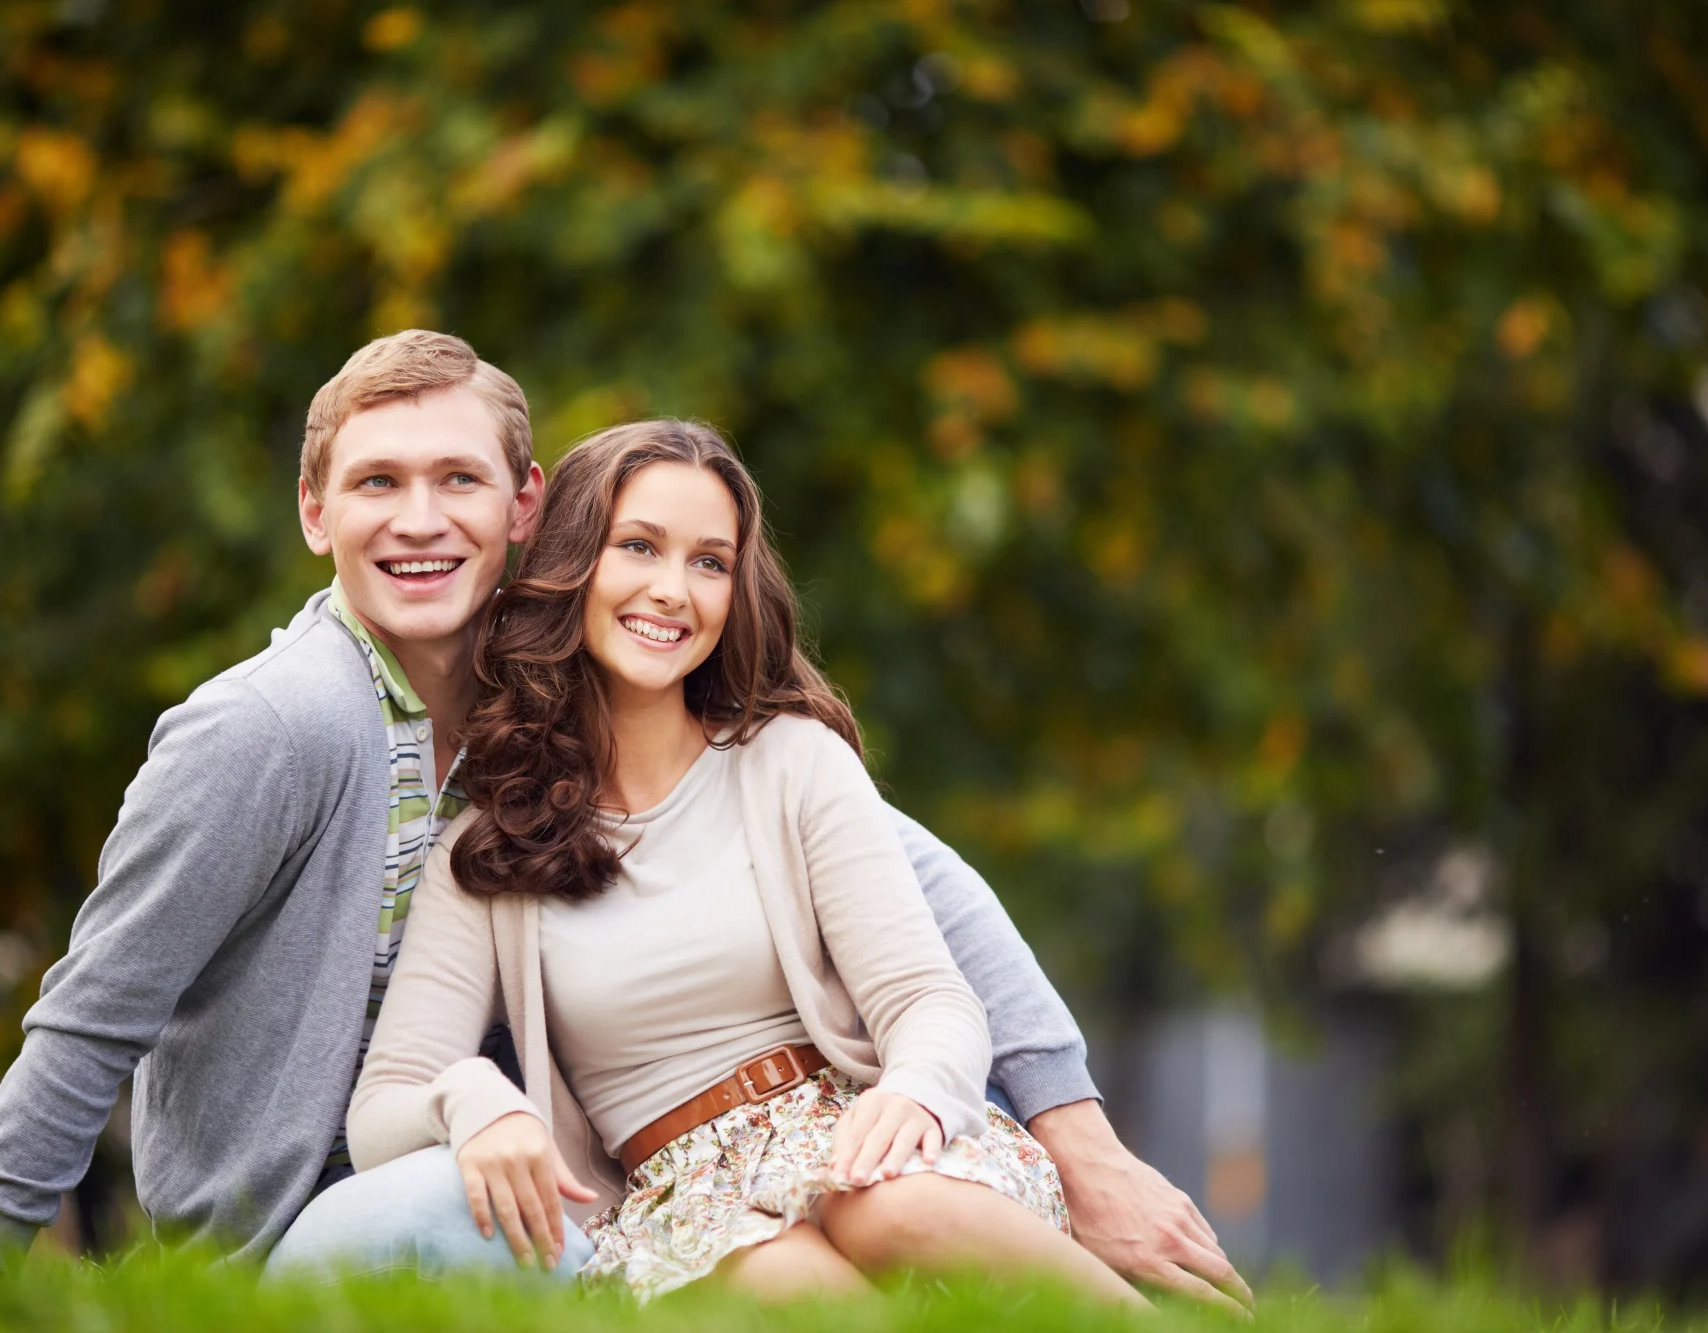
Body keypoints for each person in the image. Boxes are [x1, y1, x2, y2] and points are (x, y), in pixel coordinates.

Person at [0, 330, 1247, 1312]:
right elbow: (94, 1013)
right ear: (313, 509)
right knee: (657, 1247)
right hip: (327, 1215)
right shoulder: (280, 735)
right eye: (377, 481)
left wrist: (1077, 1141)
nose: (418, 519)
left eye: (458, 479)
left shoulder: (579, 733)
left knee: (850, 1228)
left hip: (622, 1178)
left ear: (522, 509)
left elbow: (926, 902)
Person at [341, 420, 1125, 1302]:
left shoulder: (792, 759)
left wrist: (915, 1090)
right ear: (572, 563)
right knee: (786, 1283)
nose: (673, 591)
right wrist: (469, 1098)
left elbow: (926, 996)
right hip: (683, 1206)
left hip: (855, 1134)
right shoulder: (489, 853)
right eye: (639, 546)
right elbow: (381, 1109)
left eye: (709, 562)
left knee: (886, 1205)